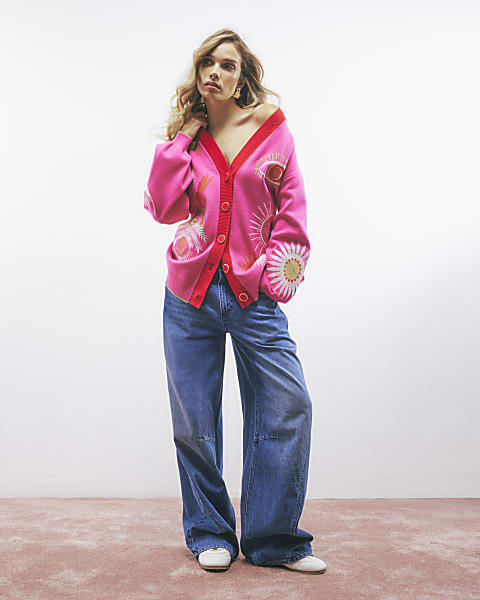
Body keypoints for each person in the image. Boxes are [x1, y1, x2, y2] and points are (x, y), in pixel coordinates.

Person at [144, 28, 326, 575]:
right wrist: (181, 138)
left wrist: (273, 278)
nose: (215, 72)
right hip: (189, 294)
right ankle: (209, 533)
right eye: (208, 63)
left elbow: (291, 206)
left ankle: (274, 541)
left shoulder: (271, 129)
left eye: (227, 65)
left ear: (242, 76)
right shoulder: (191, 138)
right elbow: (164, 208)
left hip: (252, 294)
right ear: (198, 72)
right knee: (194, 421)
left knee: (288, 406)